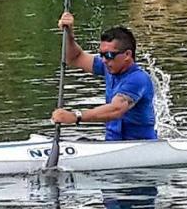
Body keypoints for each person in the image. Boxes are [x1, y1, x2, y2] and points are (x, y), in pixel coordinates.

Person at [50, 12, 157, 141]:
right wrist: (69, 33)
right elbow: (74, 58)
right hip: (112, 145)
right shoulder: (108, 66)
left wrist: (76, 116)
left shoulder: (138, 79)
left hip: (140, 147)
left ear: (127, 55)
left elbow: (116, 109)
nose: (104, 60)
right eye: (101, 55)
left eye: (109, 55)